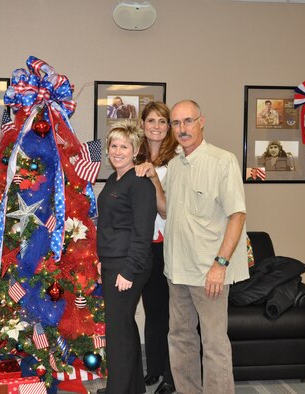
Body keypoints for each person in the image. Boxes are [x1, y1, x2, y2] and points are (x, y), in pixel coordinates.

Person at [164, 100, 248, 394]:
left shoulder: (222, 161)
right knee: (180, 338)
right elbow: (167, 210)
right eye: (176, 123)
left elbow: (237, 215)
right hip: (177, 270)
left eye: (188, 121)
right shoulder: (174, 165)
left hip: (208, 272)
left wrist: (219, 265)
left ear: (202, 121)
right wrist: (151, 179)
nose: (182, 129)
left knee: (213, 344)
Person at [96, 120, 157, 394]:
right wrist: (102, 260)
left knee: (117, 333)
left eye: (124, 146)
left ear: (135, 151)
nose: (117, 151)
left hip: (128, 264)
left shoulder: (141, 184)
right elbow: (109, 224)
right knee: (124, 326)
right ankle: (133, 388)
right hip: (112, 262)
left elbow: (143, 232)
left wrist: (129, 270)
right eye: (113, 145)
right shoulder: (114, 179)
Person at [133, 102, 178, 394]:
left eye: (163, 121)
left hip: (171, 244)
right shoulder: (134, 156)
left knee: (174, 315)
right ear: (143, 124)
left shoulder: (178, 159)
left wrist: (154, 179)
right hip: (143, 244)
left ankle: (172, 374)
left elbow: (167, 210)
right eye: (152, 120)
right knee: (153, 311)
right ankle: (155, 368)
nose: (157, 126)